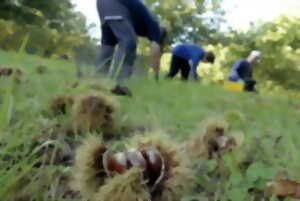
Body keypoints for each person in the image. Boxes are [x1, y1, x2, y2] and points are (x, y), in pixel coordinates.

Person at [96, 0, 167, 96]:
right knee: (129, 43)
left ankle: (95, 82)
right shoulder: (155, 26)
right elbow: (155, 51)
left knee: (107, 48)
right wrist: (156, 76)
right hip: (117, 4)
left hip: (102, 4)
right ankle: (116, 85)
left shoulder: (141, 21)